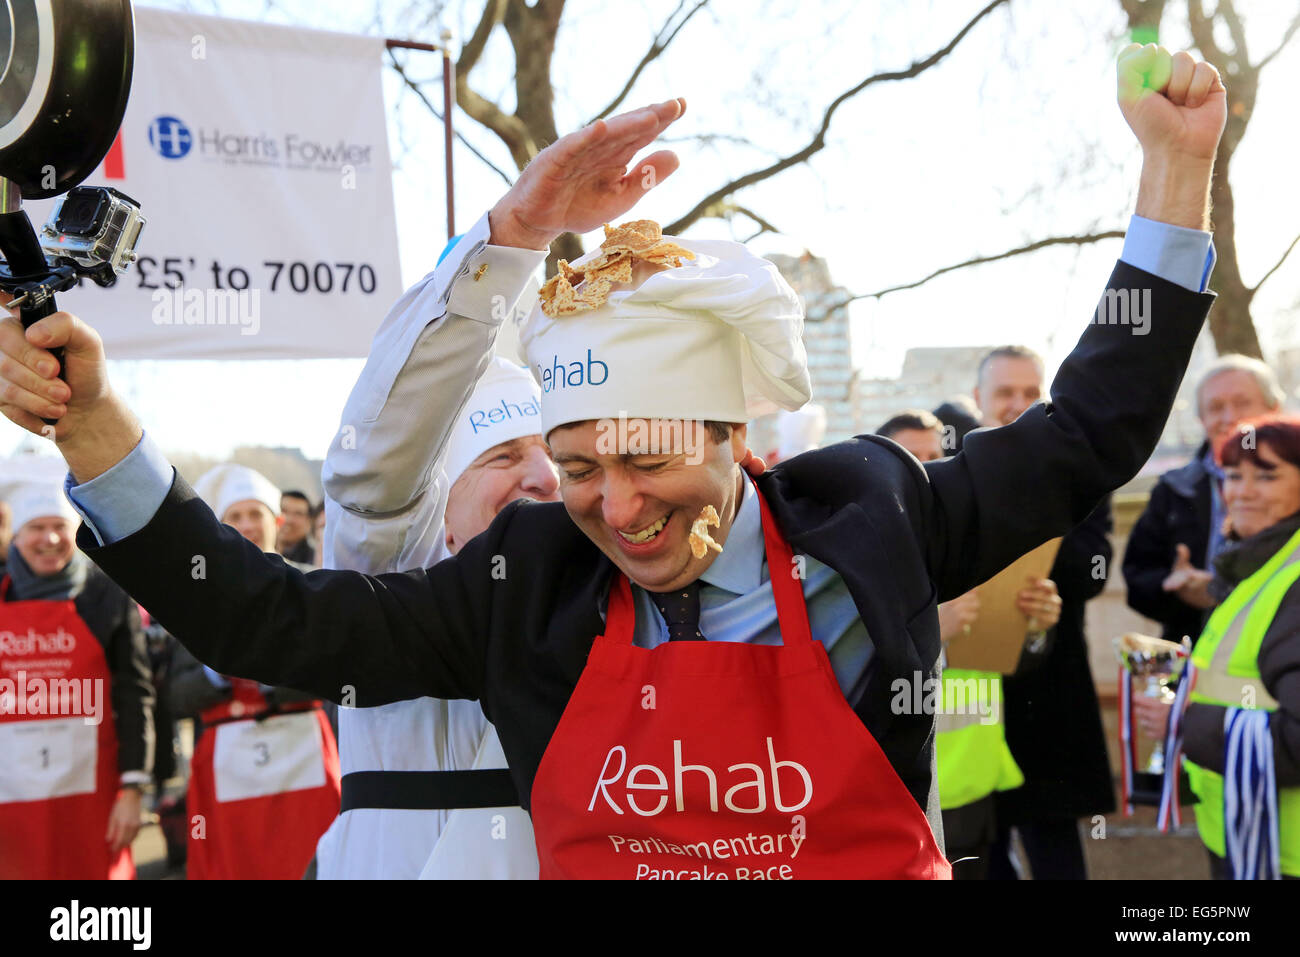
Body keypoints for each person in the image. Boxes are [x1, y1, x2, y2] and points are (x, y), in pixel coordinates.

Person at [0, 48, 1227, 878]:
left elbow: (1087, 433)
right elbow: (275, 620)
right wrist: (97, 429)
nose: (613, 504)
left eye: (642, 457)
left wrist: (1175, 176)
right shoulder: (523, 582)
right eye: (577, 466)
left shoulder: (869, 510)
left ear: (731, 436)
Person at [315, 356, 561, 879]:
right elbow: (373, 491)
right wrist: (483, 282)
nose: (547, 477)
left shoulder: (594, 602)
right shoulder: (385, 576)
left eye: (554, 453)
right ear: (435, 511)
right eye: (503, 456)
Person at [877, 409, 1054, 879]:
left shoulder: (978, 547)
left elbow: (1014, 664)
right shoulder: (859, 561)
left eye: (935, 458)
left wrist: (1034, 628)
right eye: (910, 459)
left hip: (976, 784)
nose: (924, 472)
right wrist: (933, 633)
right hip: (906, 792)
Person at [970, 343, 1114, 880]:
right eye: (1005, 392)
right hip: (975, 700)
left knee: (1056, 849)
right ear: (979, 399)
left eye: (1031, 392)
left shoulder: (1081, 477)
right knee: (982, 848)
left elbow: (1092, 569)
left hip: (1053, 693)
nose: (1018, 403)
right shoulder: (947, 476)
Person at [167, 463, 341, 880]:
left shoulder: (310, 585)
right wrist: (215, 677)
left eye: (255, 515)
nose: (246, 526)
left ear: (277, 522)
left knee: (317, 858)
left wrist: (270, 677)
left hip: (304, 756)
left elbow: (336, 671)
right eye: (235, 517)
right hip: (227, 764)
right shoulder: (192, 598)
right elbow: (175, 696)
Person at [0, 482, 154, 878]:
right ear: (17, 536)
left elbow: (134, 696)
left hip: (94, 799)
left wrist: (133, 791)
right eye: (36, 528)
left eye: (59, 527)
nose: (49, 538)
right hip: (11, 805)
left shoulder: (109, 598)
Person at [1171, 413, 1300, 878]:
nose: (1242, 491)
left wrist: (1183, 721)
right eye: (1233, 475)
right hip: (1247, 838)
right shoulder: (1259, 565)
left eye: (1267, 475)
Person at [1123, 355, 1284, 647]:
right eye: (1216, 407)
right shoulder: (1173, 489)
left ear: (1274, 409)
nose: (1229, 417)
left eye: (1242, 402)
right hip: (1195, 657)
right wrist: (1177, 589)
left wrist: (1221, 587)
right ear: (1201, 419)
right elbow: (1137, 580)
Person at [278, 489, 317, 565]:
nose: (288, 520)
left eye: (298, 514)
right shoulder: (257, 551)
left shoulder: (316, 560)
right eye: (283, 511)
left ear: (309, 521)